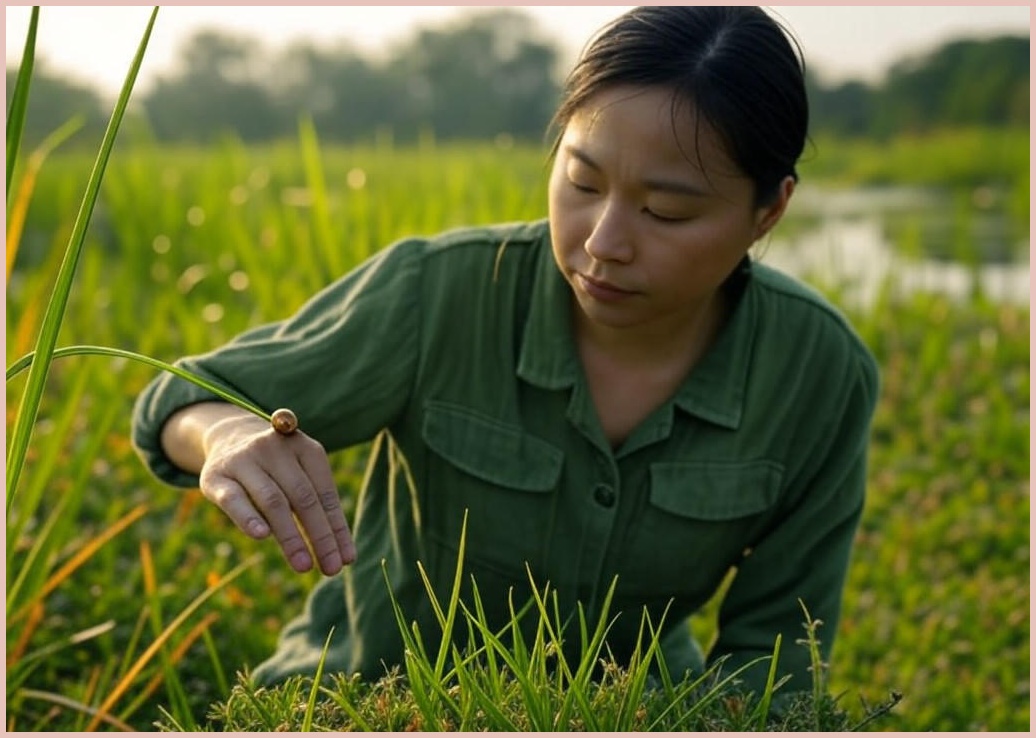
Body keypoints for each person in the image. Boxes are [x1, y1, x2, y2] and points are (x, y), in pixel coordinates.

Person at [132, 5, 879, 701]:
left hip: (631, 712)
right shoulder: (439, 292)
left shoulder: (818, 373)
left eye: (666, 212)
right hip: (366, 700)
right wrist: (225, 435)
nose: (603, 243)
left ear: (769, 210)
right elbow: (184, 397)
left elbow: (776, 656)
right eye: (582, 182)